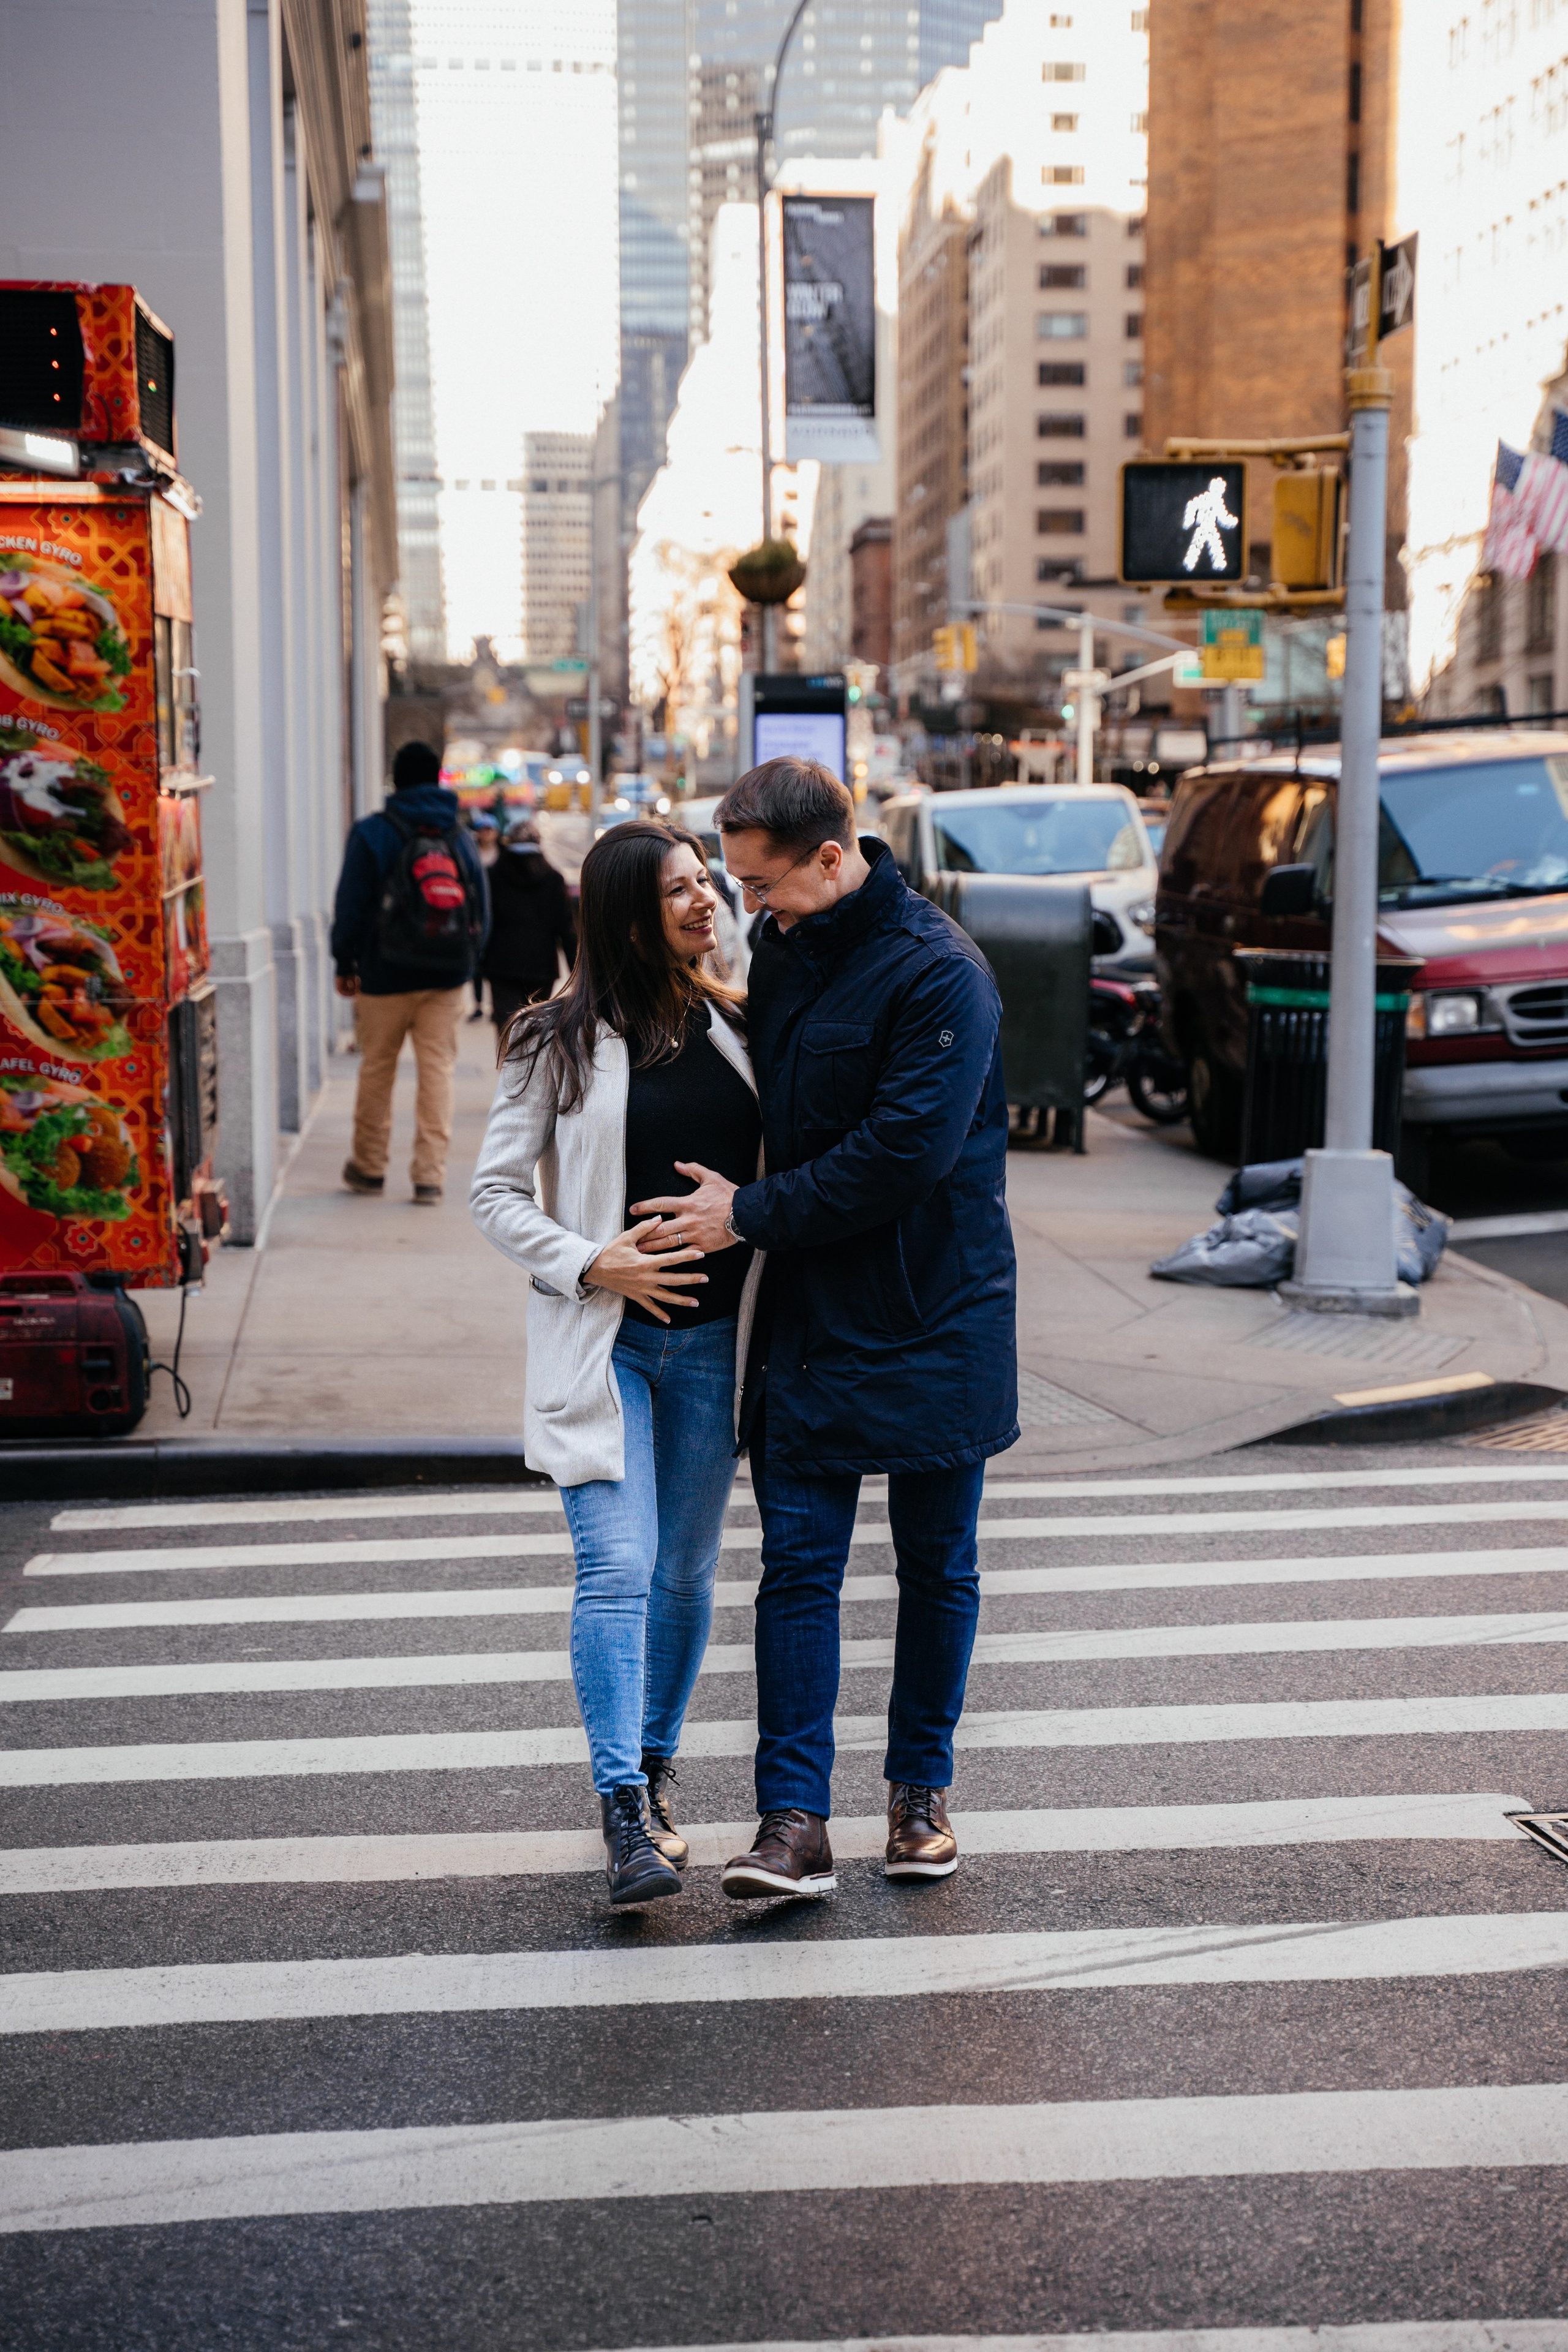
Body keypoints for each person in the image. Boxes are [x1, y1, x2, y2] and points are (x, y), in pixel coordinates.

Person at [630, 756, 1017, 1900]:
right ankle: (792, 1823)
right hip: (810, 1316)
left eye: (762, 882)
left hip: (937, 1308)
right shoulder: (788, 955)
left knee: (936, 1566)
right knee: (797, 1571)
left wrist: (743, 1212)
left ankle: (919, 1798)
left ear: (834, 857)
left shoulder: (945, 977)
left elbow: (904, 1156)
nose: (746, 905)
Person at [469, 821, 765, 1909]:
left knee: (686, 1576)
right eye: (678, 891)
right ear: (622, 913)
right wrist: (597, 1261)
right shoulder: (554, 1036)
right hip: (610, 1348)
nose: (705, 904)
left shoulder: (744, 1023)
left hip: (715, 1351)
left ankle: (656, 1765)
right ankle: (622, 1812)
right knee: (619, 1566)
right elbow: (495, 1193)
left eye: (707, 885)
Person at [330, 740, 489, 1205]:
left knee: (377, 1068)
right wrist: (468, 963)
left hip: (383, 973)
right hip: (446, 976)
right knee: (437, 1070)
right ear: (438, 777)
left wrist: (345, 962)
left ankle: (369, 1168)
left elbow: (351, 905)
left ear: (395, 780)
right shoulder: (457, 836)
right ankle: (429, 1177)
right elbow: (482, 905)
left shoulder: (373, 833)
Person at [481, 813, 578, 1039]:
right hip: (541, 967)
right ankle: (531, 1074)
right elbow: (566, 929)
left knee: (507, 1031)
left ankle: (509, 1072)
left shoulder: (494, 876)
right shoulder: (553, 879)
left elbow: (484, 922)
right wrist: (576, 971)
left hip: (501, 965)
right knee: (536, 1033)